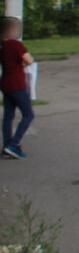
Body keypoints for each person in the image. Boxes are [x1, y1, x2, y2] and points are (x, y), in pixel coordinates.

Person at [1, 16, 35, 159]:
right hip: (17, 84)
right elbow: (29, 60)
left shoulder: (2, 46)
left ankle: (7, 147)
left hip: (5, 83)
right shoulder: (16, 45)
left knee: (8, 116)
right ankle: (13, 145)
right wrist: (25, 63)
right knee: (28, 114)